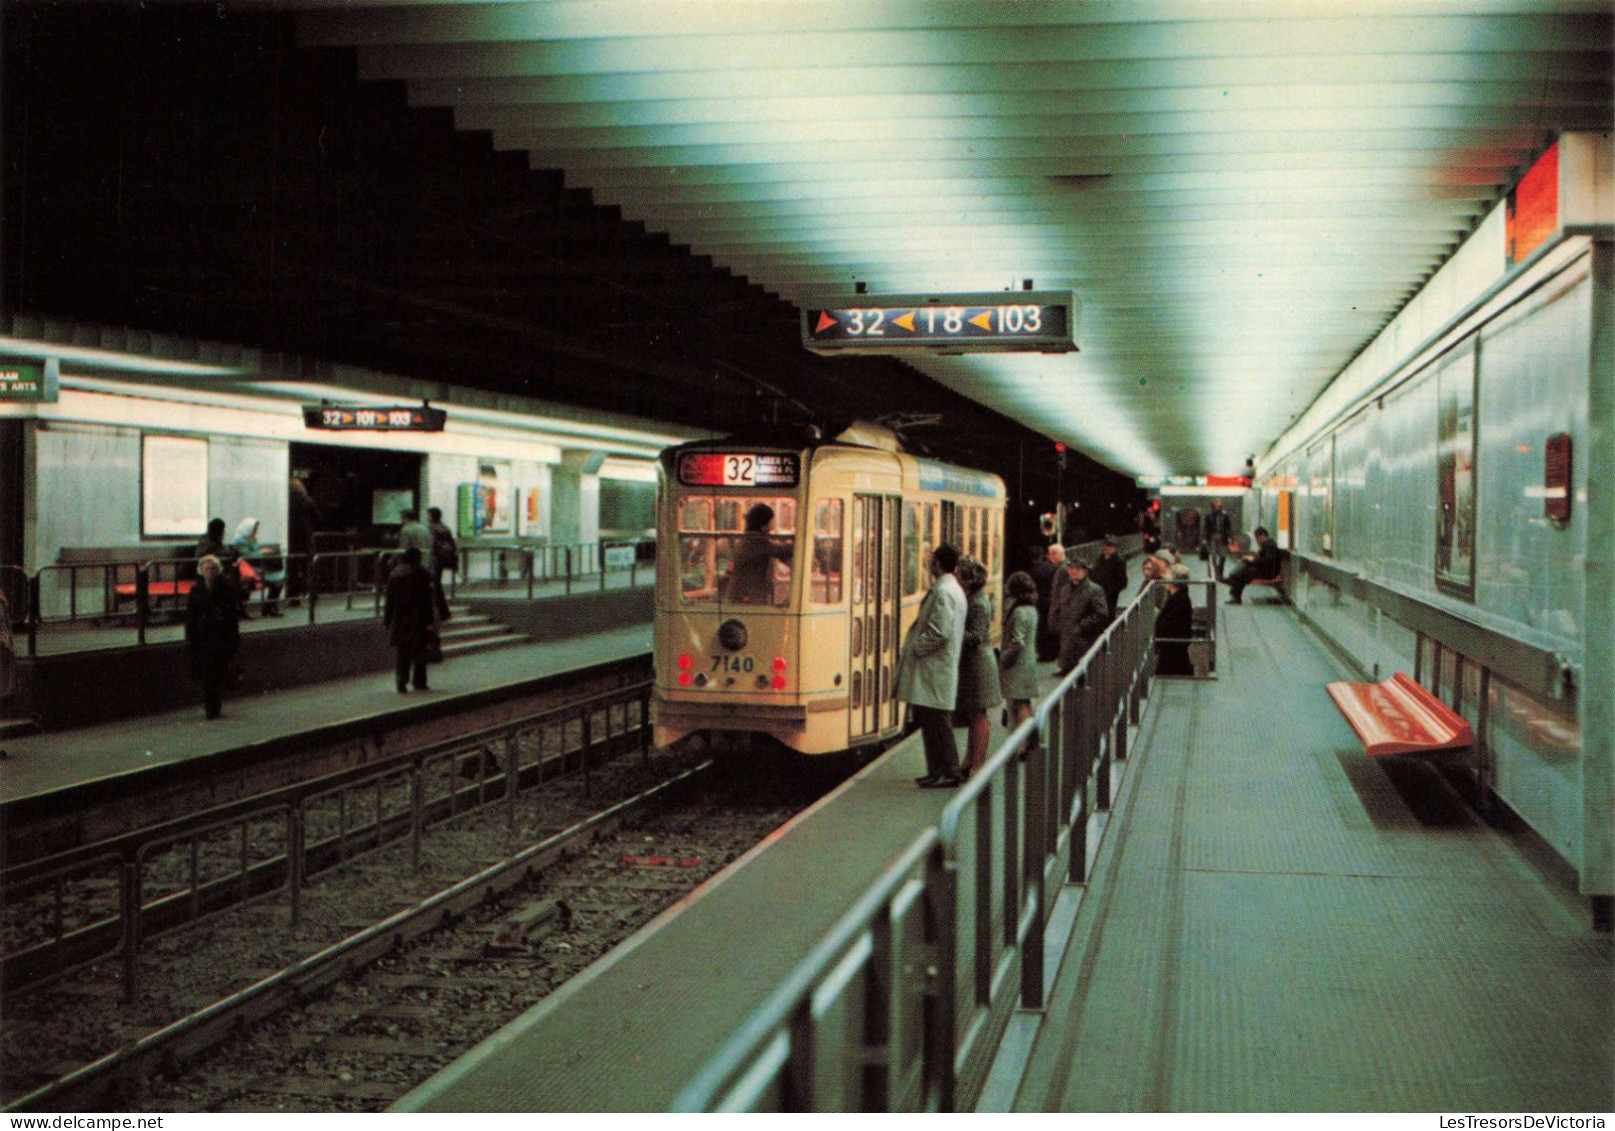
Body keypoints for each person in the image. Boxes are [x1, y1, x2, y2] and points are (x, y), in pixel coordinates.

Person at [895, 542, 967, 789]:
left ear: (937, 564)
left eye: (932, 561)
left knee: (937, 722)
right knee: (932, 720)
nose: (929, 565)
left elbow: (941, 632)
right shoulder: (951, 589)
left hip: (934, 668)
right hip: (938, 668)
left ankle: (948, 772)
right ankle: (937, 771)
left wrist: (916, 648)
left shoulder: (943, 592)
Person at [952, 557, 1002, 780]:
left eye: (958, 575)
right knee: (974, 714)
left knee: (979, 717)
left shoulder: (978, 603)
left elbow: (977, 636)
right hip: (975, 664)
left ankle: (978, 765)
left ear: (967, 579)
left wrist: (951, 632)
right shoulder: (975, 598)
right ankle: (970, 760)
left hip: (979, 665)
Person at [185, 554, 241, 719]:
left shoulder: (226, 590)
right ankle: (212, 706)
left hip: (219, 636)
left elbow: (232, 617)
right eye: (207, 568)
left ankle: (212, 705)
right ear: (201, 571)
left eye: (213, 568)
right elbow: (190, 617)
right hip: (203, 637)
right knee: (209, 674)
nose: (210, 571)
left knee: (215, 673)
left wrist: (233, 639)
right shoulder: (196, 591)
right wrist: (190, 638)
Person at [384, 547, 435, 693]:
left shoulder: (395, 574)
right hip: (418, 617)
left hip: (400, 617)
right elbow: (427, 600)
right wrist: (430, 621)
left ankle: (401, 680)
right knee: (420, 650)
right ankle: (419, 681)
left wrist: (388, 618)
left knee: (402, 651)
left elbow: (390, 600)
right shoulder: (423, 574)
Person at [998, 570, 1040, 736]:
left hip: (1018, 666)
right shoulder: (1031, 610)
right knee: (1024, 702)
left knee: (1019, 703)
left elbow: (1017, 642)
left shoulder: (1019, 612)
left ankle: (1023, 744)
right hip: (1028, 662)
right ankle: (1029, 739)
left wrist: (1003, 657)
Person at [1055, 556, 1111, 675]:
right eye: (1071, 568)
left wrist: (1082, 625)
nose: (1073, 571)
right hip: (1068, 630)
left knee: (1082, 664)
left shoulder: (1094, 589)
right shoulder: (1065, 588)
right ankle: (1066, 667)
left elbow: (1101, 613)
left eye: (1077, 569)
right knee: (1068, 650)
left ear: (1085, 571)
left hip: (1084, 635)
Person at [728, 502, 792, 605]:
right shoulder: (756, 541)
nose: (770, 528)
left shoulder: (746, 538)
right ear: (763, 525)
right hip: (748, 596)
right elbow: (781, 551)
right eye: (770, 524)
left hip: (740, 594)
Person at [232, 517, 285, 616]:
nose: (256, 531)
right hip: (249, 569)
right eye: (255, 528)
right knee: (276, 581)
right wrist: (261, 552)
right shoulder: (240, 541)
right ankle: (268, 607)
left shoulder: (251, 539)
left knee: (279, 580)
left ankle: (269, 606)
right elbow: (248, 556)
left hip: (257, 567)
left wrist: (261, 552)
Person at [1153, 563, 1195, 675]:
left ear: (1173, 581)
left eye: (1167, 576)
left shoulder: (1177, 599)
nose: (1165, 579)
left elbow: (1169, 623)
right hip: (1175, 644)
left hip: (1172, 644)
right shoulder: (1180, 596)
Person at [287, 477, 322, 603]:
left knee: (293, 570)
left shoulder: (286, 501)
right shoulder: (308, 500)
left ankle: (293, 598)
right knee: (309, 568)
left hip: (291, 538)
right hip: (306, 539)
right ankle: (312, 595)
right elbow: (318, 519)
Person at [1227, 526, 1282, 604]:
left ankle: (1234, 588)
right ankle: (1233, 581)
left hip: (1269, 572)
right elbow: (1263, 560)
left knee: (1245, 572)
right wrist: (1252, 560)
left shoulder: (1270, 546)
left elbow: (1265, 561)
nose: (1257, 541)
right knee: (1245, 567)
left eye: (1257, 538)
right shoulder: (1267, 545)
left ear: (1263, 535)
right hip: (1266, 569)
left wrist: (1253, 561)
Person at [1034, 543, 1065, 661]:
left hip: (1044, 601)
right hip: (1052, 601)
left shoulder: (1038, 569)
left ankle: (1045, 653)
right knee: (1051, 627)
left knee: (1044, 627)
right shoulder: (1056, 569)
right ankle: (1053, 652)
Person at [426, 506, 457, 622]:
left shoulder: (431, 529)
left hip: (434, 560)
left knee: (434, 586)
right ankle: (443, 612)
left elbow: (431, 545)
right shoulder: (445, 528)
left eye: (428, 514)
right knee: (437, 584)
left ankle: (442, 612)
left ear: (431, 516)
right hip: (443, 560)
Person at [1089, 537, 1128, 618]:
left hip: (1110, 594)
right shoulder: (1099, 560)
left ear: (1115, 548)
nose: (1105, 548)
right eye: (1104, 545)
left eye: (1109, 546)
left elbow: (1122, 581)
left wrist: (1111, 590)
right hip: (1097, 592)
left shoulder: (1119, 562)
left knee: (1109, 613)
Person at [1204, 499, 1234, 581]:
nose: (1217, 507)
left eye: (1218, 505)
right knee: (1213, 556)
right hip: (1212, 537)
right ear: (1213, 506)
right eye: (1215, 505)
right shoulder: (1209, 516)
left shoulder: (1225, 516)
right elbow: (1206, 528)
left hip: (1222, 537)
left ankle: (1220, 572)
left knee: (1223, 555)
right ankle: (1215, 572)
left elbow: (1228, 528)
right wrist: (1206, 539)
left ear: (1221, 506)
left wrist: (1230, 537)